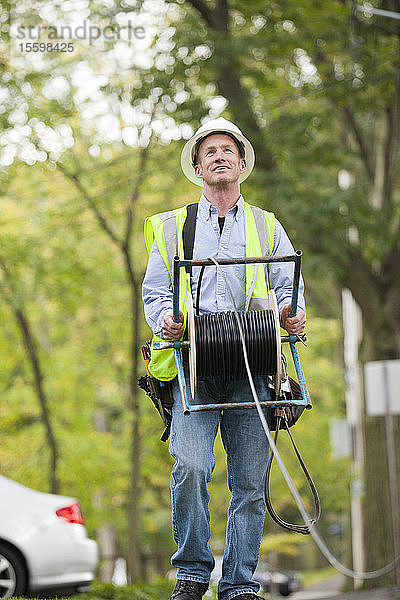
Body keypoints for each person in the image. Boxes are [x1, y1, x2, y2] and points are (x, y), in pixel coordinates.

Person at [142, 118, 306, 600]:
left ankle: (239, 584)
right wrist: (165, 321)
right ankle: (193, 573)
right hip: (192, 369)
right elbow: (154, 291)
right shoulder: (173, 227)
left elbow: (287, 286)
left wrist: (293, 314)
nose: (218, 157)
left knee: (250, 482)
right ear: (197, 167)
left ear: (241, 164)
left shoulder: (265, 224)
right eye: (209, 151)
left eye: (227, 151)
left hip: (253, 370)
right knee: (190, 466)